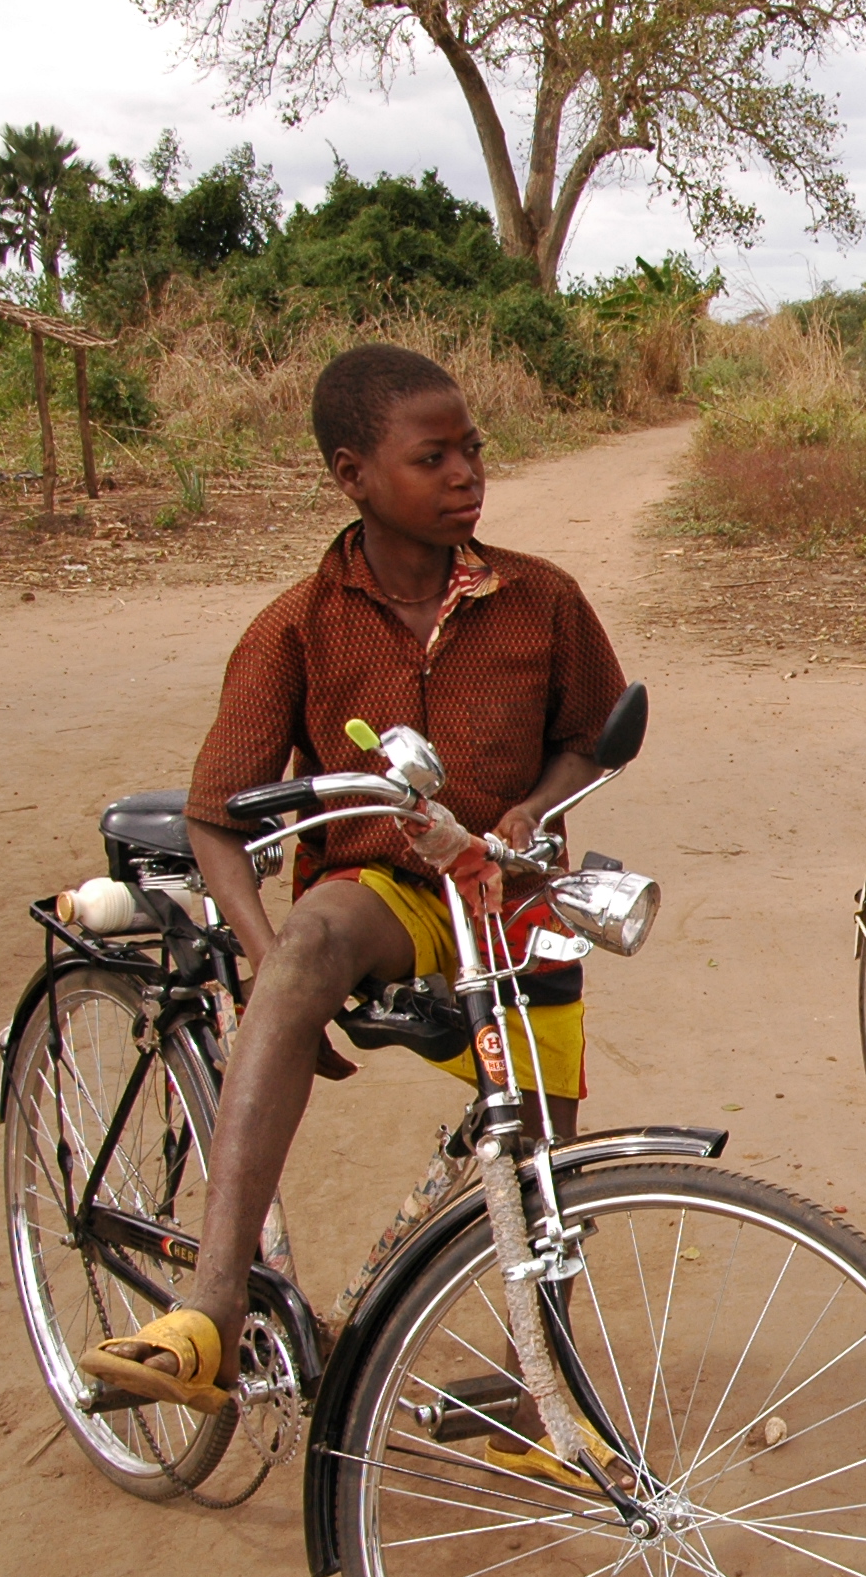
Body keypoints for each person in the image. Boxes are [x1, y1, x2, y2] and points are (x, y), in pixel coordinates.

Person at [78, 342, 625, 1464]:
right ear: (352, 474)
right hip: (381, 892)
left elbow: (598, 733)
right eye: (433, 456)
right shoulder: (297, 626)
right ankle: (211, 1314)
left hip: (504, 892)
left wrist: (533, 804)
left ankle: (539, 1385)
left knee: (540, 1147)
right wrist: (273, 956)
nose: (467, 471)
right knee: (316, 932)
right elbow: (216, 817)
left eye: (472, 448)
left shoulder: (541, 600)